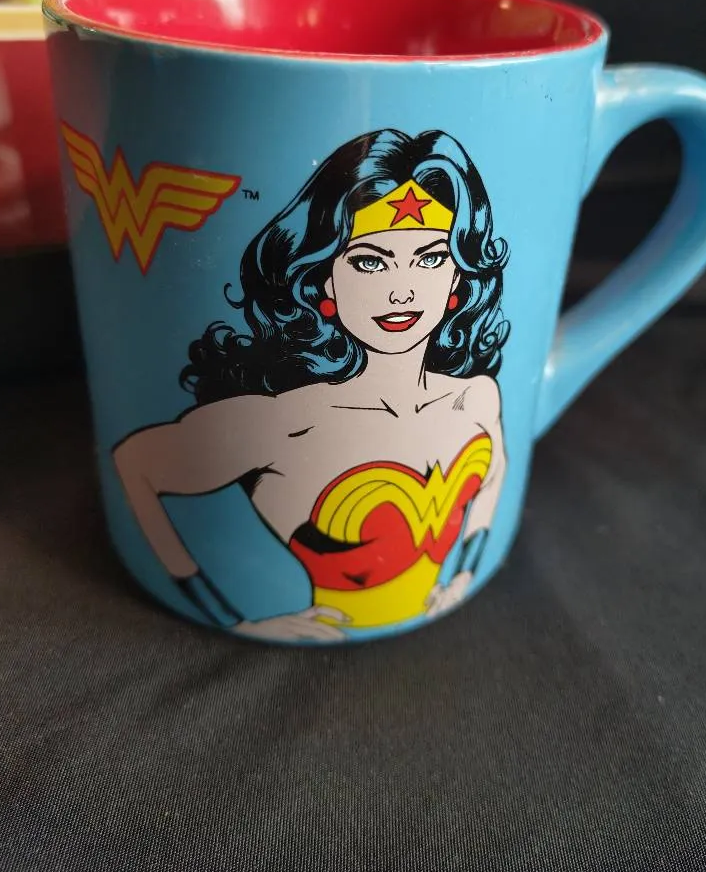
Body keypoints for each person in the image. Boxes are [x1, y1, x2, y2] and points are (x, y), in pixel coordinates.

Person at [113, 128, 510, 641]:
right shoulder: (284, 423)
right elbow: (136, 465)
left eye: (430, 258)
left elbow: (495, 474)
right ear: (324, 280)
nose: (403, 291)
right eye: (370, 262)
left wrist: (463, 575)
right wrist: (234, 616)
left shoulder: (476, 397)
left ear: (457, 277)